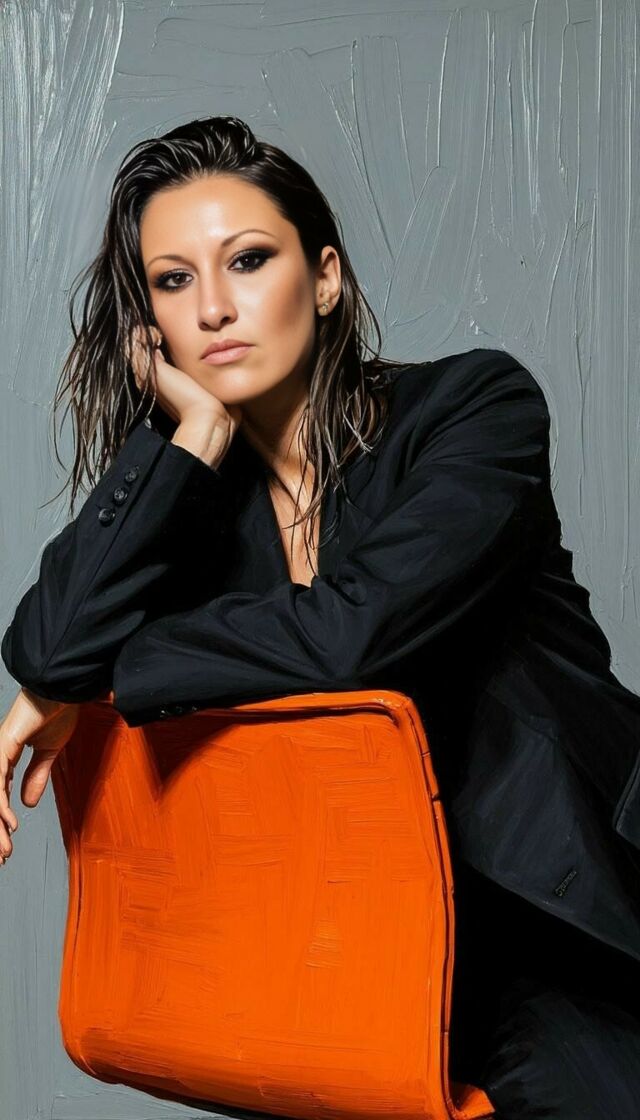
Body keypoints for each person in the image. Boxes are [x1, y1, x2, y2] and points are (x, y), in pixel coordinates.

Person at [0, 114, 639, 1119]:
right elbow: (48, 646)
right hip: (338, 953)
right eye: (173, 280)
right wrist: (187, 435)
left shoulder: (471, 411)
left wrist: (115, 671)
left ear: (326, 278)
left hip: (551, 927)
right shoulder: (192, 503)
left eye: (248, 260)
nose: (214, 307)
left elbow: (352, 637)